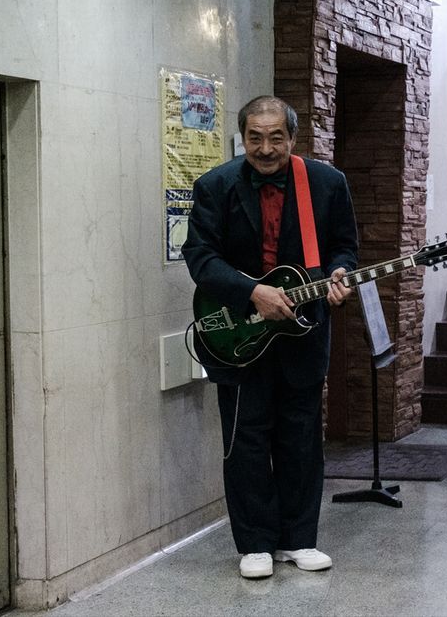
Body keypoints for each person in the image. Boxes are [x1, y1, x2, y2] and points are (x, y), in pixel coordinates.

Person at [183, 95, 358, 579]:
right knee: (246, 439)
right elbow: (201, 258)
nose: (265, 148)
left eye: (275, 137)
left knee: (302, 436)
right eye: (254, 138)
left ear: (293, 138)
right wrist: (252, 292)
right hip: (239, 331)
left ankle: (299, 539)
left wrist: (341, 273)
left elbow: (345, 246)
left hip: (303, 332)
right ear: (243, 137)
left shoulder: (326, 183)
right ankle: (255, 542)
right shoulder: (215, 186)